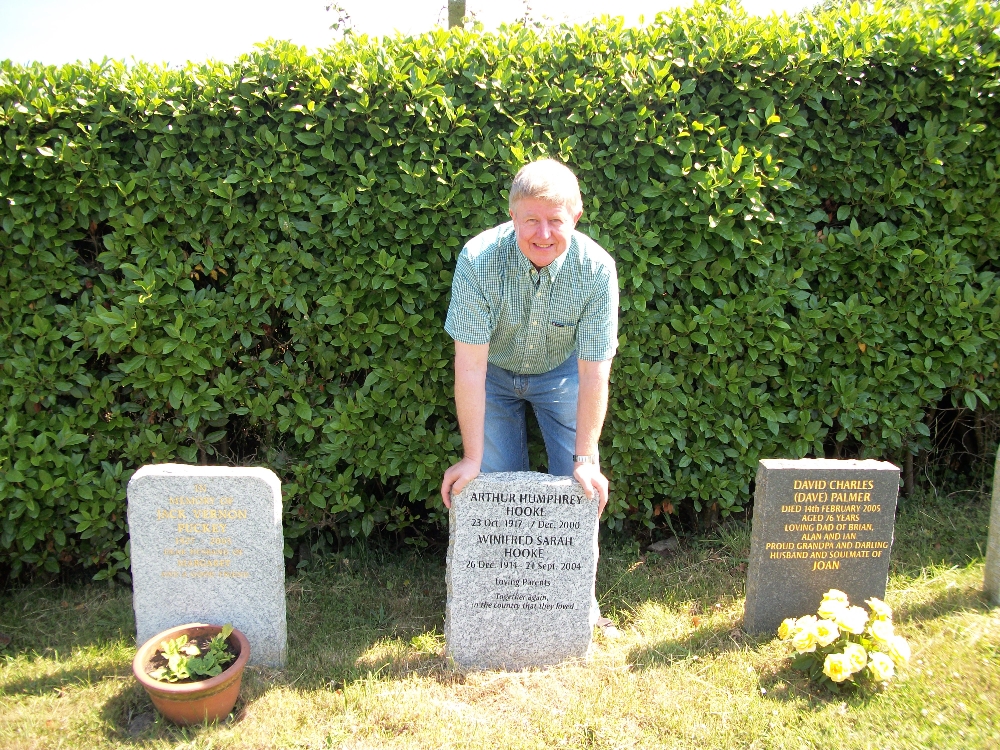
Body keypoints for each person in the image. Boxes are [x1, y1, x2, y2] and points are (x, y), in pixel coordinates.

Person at [440, 158, 619, 513]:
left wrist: (585, 458)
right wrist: (472, 458)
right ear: (512, 216)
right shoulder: (478, 261)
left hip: (562, 373)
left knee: (579, 486)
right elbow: (471, 367)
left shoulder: (597, 270)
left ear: (576, 218)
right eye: (532, 221)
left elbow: (593, 371)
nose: (544, 234)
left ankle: (567, 569)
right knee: (490, 488)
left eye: (555, 220)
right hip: (492, 373)